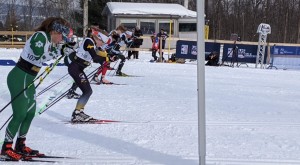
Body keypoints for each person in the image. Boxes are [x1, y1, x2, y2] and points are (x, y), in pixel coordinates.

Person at [0, 17, 70, 161]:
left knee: (30, 112)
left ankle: (20, 144)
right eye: (61, 36)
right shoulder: (40, 36)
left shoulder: (49, 40)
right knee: (19, 114)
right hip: (19, 77)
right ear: (55, 31)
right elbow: (40, 56)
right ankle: (6, 148)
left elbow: (52, 52)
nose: (61, 39)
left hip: (28, 78)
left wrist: (63, 49)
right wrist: (60, 51)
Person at [67, 27, 108, 122]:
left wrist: (108, 57)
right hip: (75, 68)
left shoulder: (93, 43)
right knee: (87, 91)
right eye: (102, 42)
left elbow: (99, 55)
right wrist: (106, 59)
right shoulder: (89, 41)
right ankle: (77, 114)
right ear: (98, 38)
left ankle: (79, 112)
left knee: (88, 91)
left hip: (78, 68)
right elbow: (95, 57)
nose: (102, 44)